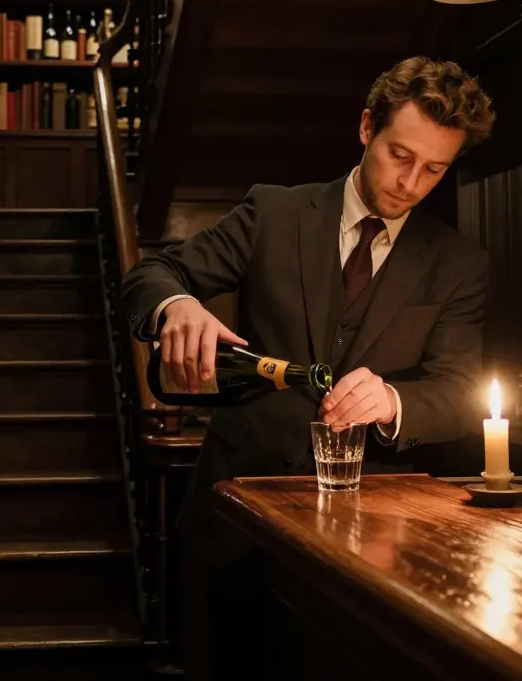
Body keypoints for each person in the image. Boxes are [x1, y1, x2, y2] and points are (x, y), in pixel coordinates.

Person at [120, 56, 496, 680]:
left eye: (434, 169)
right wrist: (176, 305)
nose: (411, 183)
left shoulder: (458, 263)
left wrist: (394, 402)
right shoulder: (274, 213)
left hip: (372, 543)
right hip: (232, 516)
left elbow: (458, 391)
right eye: (400, 155)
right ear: (367, 127)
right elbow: (150, 275)